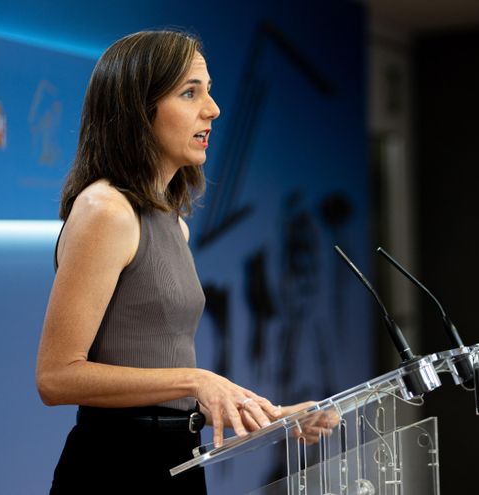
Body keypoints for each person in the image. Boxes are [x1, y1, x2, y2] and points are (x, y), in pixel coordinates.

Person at [35, 30, 311, 494]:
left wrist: (262, 413)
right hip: (114, 468)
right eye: (190, 92)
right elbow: (55, 376)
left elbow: (160, 383)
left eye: (208, 90)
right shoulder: (106, 210)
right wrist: (198, 379)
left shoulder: (172, 222)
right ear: (138, 111)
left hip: (178, 459)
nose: (213, 109)